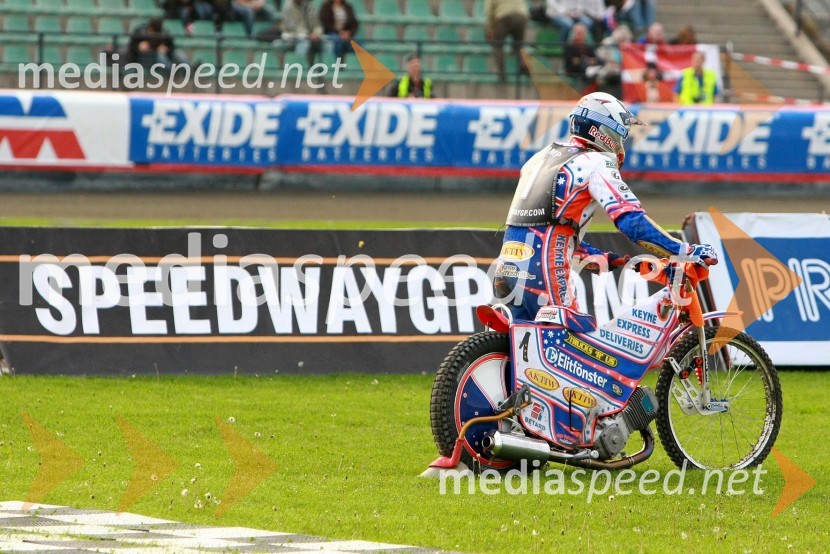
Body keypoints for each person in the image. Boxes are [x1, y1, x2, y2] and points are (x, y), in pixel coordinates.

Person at [493, 92, 716, 319]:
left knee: (520, 348)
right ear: (606, 132)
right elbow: (631, 221)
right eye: (622, 134)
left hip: (506, 267)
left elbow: (543, 228)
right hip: (545, 271)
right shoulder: (596, 161)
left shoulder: (540, 157)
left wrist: (607, 258)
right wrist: (685, 251)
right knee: (573, 347)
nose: (622, 143)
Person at [485, 0, 529, 83]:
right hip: (522, 16)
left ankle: (502, 74)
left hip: (504, 16)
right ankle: (523, 65)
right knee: (518, 45)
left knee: (497, 44)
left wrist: (490, 28)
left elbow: (489, 11)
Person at [126, 16, 190, 72]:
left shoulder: (164, 32)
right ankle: (173, 72)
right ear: (150, 27)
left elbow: (172, 46)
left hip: (164, 54)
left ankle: (190, 68)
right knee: (161, 57)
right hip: (146, 57)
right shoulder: (140, 32)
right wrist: (138, 47)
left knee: (179, 54)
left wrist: (166, 48)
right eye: (153, 31)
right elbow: (131, 47)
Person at [280, 0, 324, 65]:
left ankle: (323, 70)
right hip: (294, 36)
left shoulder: (309, 5)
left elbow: (317, 24)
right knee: (304, 43)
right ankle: (302, 70)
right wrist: (308, 35)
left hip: (311, 36)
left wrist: (316, 33)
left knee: (328, 44)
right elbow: (294, 27)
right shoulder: (288, 6)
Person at [563, 23, 597, 91]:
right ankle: (590, 71)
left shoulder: (587, 46)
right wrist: (585, 60)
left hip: (587, 67)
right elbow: (573, 61)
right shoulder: (569, 46)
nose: (581, 35)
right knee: (583, 61)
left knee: (599, 60)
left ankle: (596, 71)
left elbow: (594, 58)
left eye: (582, 33)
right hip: (574, 70)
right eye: (579, 33)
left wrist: (591, 60)